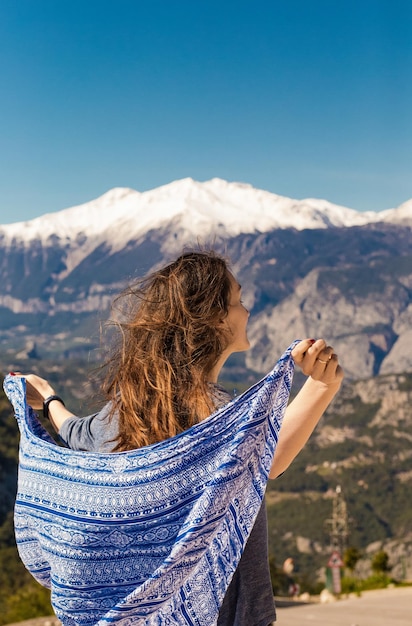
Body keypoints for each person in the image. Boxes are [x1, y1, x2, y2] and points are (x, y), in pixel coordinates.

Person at [20, 250, 343, 626]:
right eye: (237, 300)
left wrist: (47, 399)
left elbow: (76, 432)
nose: (247, 310)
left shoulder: (124, 411)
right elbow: (269, 454)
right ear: (213, 319)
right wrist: (322, 385)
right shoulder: (223, 418)